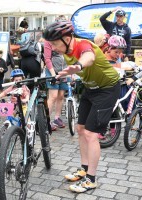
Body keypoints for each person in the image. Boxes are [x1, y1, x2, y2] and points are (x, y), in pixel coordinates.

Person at [43, 20, 120, 193]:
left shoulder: (82, 44)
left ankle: (91, 179)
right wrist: (62, 75)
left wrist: (77, 66)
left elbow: (89, 57)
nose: (54, 48)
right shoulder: (66, 51)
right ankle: (84, 169)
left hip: (107, 89)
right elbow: (76, 71)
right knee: (80, 129)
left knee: (91, 134)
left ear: (67, 38)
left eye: (55, 43)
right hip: (90, 88)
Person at [44, 32, 68, 130]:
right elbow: (47, 59)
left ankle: (57, 118)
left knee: (61, 95)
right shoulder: (48, 41)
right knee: (53, 96)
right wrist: (53, 74)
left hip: (64, 70)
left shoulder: (66, 39)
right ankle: (46, 121)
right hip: (52, 71)